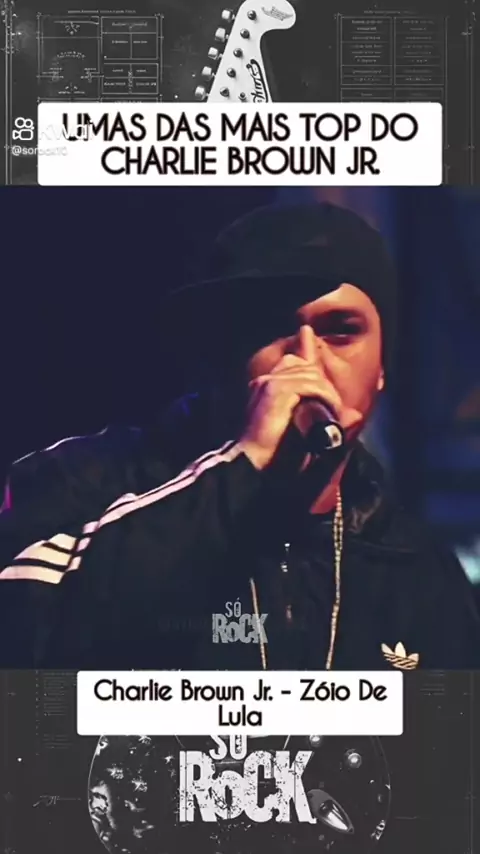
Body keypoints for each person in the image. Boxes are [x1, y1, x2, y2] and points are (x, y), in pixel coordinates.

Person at [1, 201, 479, 670]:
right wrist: (245, 462)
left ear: (382, 367)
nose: (305, 359)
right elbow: (28, 644)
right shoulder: (78, 482)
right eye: (272, 327)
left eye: (340, 331)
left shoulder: (418, 567)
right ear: (221, 355)